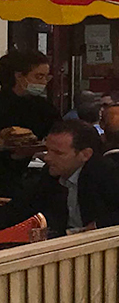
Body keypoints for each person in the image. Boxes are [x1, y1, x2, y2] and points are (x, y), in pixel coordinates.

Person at [0, 119, 119, 237]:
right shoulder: (50, 174)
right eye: (48, 150)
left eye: (58, 153)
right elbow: (20, 208)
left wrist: (97, 225)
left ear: (85, 154)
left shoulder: (105, 172)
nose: (48, 158)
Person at [0, 49, 59, 196]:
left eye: (47, 77)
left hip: (26, 174)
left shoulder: (44, 107)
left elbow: (59, 131)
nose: (44, 82)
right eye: (39, 77)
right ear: (19, 76)